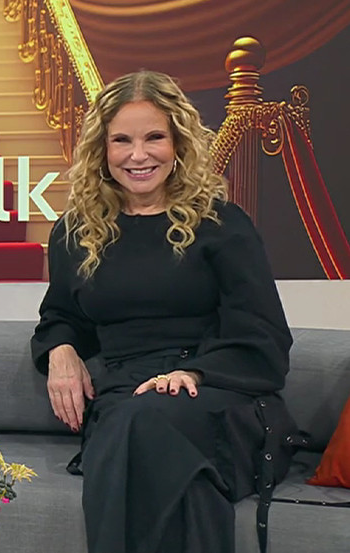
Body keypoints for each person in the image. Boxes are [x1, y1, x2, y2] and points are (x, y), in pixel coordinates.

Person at [31, 70, 296, 553]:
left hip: (215, 393)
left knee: (140, 429)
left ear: (178, 145)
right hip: (127, 395)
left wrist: (192, 372)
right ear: (102, 150)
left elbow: (264, 337)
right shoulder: (76, 232)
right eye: (122, 140)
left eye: (154, 137)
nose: (138, 155)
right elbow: (62, 315)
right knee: (147, 434)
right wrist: (61, 349)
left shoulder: (223, 225)